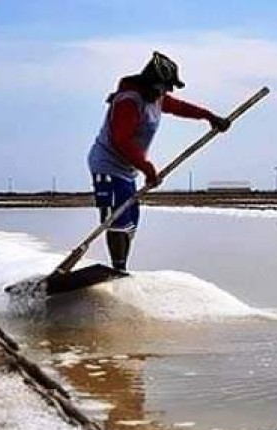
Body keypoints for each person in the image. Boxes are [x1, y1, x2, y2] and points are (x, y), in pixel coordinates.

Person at [87, 51, 231, 276]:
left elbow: (182, 107)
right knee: (116, 219)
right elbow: (121, 140)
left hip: (128, 170)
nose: (168, 91)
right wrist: (148, 168)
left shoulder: (156, 98)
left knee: (130, 221)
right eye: (166, 86)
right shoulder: (129, 101)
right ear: (152, 82)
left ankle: (120, 268)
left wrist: (209, 117)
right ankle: (118, 269)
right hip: (108, 165)